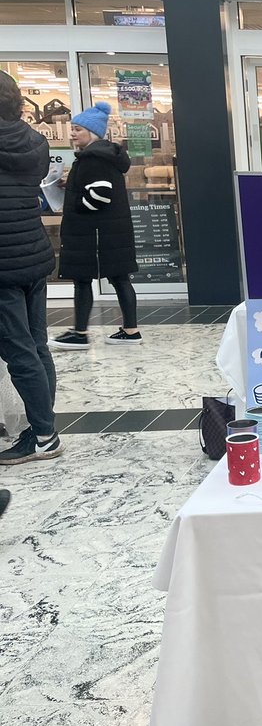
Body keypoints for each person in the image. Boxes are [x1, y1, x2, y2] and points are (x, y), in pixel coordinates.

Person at [0, 71, 62, 463]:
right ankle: (43, 429)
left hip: (4, 260)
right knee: (37, 347)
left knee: (20, 353)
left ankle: (42, 436)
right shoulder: (34, 142)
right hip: (34, 255)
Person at [52, 102, 141, 349]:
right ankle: (131, 330)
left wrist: (75, 205)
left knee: (82, 280)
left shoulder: (93, 158)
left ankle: (80, 333)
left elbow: (100, 195)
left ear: (92, 133)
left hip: (94, 233)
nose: (72, 133)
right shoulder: (104, 156)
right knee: (120, 278)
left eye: (78, 129)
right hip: (110, 232)